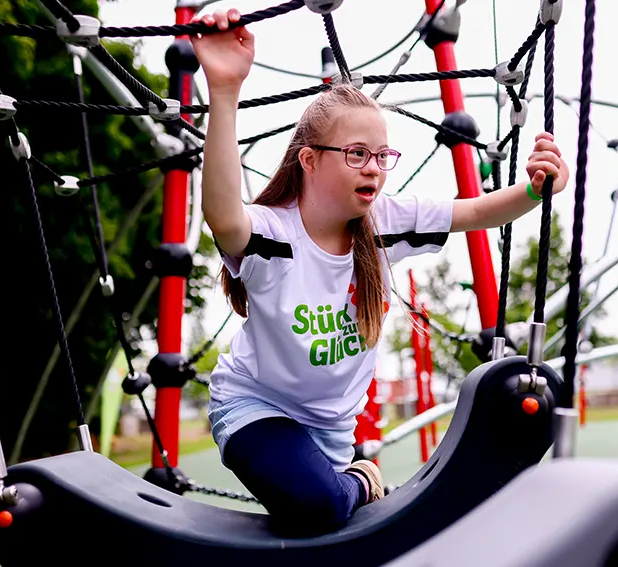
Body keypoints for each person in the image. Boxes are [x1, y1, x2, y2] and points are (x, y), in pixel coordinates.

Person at [190, 8, 570, 535]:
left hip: (332, 432)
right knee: (319, 507)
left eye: (381, 155)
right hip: (255, 409)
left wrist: (534, 189)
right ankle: (360, 481)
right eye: (355, 154)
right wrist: (225, 90)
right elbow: (222, 213)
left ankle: (343, 477)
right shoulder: (274, 233)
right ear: (309, 161)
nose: (373, 167)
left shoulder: (384, 223)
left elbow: (477, 211)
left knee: (328, 523)